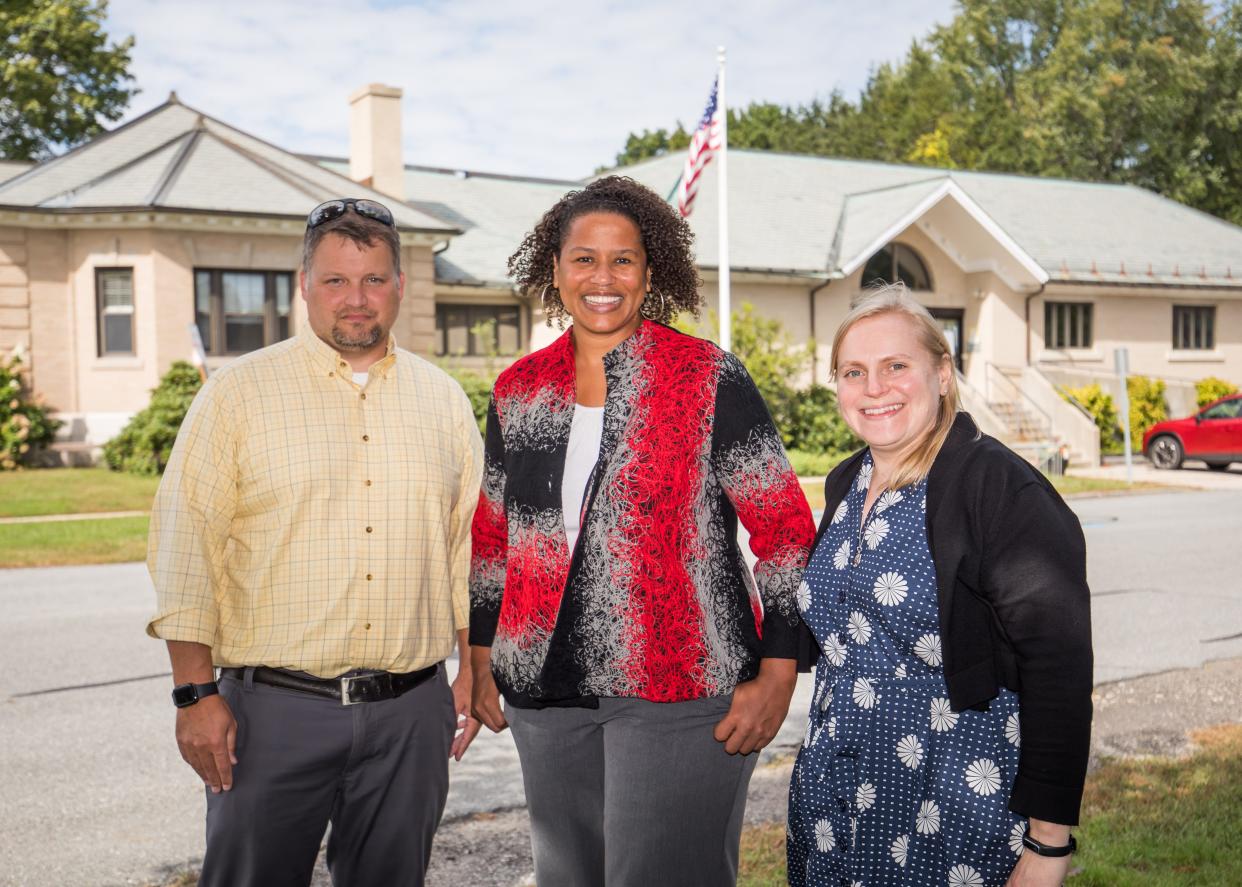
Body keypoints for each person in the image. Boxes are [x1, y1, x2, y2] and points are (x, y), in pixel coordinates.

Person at [468, 176, 816, 887]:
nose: (603, 278)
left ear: (649, 271)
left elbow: (784, 528)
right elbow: (494, 536)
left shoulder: (704, 376)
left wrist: (779, 670)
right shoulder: (519, 388)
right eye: (584, 259)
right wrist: (478, 656)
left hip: (682, 689)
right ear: (555, 269)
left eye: (622, 260)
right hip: (545, 695)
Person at [146, 197, 483, 887]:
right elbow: (186, 547)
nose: (355, 300)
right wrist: (192, 694)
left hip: (411, 717)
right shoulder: (237, 395)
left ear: (400, 285)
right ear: (304, 284)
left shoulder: (443, 399)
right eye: (335, 280)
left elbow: (468, 547)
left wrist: (474, 663)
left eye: (374, 280)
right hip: (271, 714)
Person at [786, 284, 1092, 886]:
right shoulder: (847, 483)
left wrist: (1048, 845)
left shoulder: (998, 487)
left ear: (943, 373)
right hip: (833, 805)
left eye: (896, 366)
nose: (873, 388)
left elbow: (1058, 668)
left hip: (948, 806)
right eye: (853, 371)